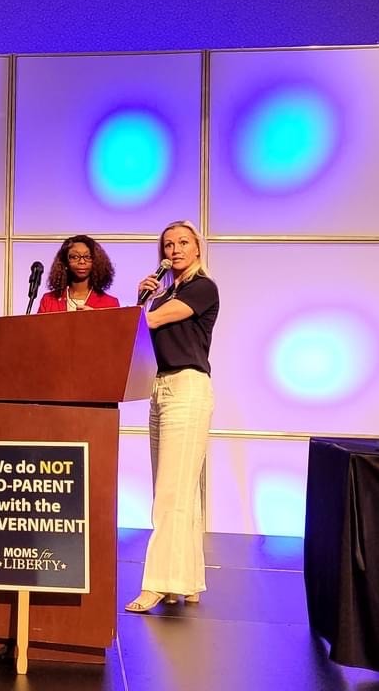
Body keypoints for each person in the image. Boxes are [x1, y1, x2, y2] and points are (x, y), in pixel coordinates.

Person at [126, 220, 220, 613]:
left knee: (171, 492)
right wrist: (141, 298)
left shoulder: (202, 287)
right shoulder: (163, 293)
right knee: (179, 491)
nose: (175, 250)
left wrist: (141, 309)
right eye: (168, 244)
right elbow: (139, 337)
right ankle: (187, 580)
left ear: (197, 248)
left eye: (183, 242)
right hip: (160, 386)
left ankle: (158, 583)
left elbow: (152, 322)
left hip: (187, 387)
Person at [37, 234, 119, 313]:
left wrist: (95, 319)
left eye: (88, 257)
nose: (82, 261)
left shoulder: (110, 303)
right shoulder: (48, 300)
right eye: (75, 257)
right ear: (65, 262)